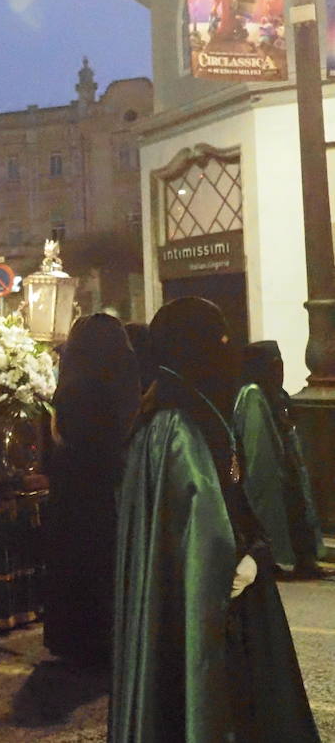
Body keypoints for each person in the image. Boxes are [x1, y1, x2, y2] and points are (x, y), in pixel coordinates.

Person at [111, 297, 318, 743]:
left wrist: (253, 549)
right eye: (219, 339)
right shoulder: (178, 425)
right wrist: (241, 558)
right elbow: (203, 534)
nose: (228, 349)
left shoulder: (180, 413)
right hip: (215, 606)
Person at [43, 314, 139, 669]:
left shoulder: (76, 386)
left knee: (76, 567)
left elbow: (68, 442)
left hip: (75, 493)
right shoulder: (119, 382)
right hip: (108, 491)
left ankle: (75, 639)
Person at [234, 340, 326, 576]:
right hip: (274, 479)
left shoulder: (275, 395)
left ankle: (302, 561)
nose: (280, 371)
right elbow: (258, 453)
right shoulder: (253, 395)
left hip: (286, 477)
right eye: (275, 366)